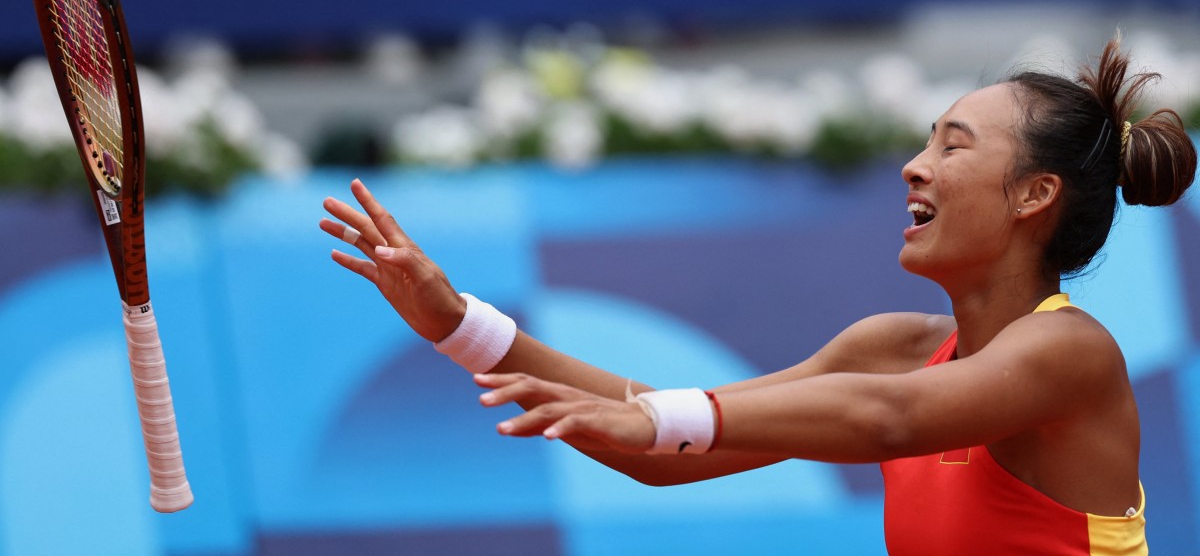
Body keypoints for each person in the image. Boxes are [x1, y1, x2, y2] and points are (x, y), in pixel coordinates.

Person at [320, 36, 1196, 554]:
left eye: (954, 147)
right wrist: (459, 326)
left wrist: (664, 418)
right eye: (926, 141)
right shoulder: (890, 350)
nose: (915, 165)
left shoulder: (1070, 354)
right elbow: (660, 442)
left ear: (1033, 196)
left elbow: (885, 422)